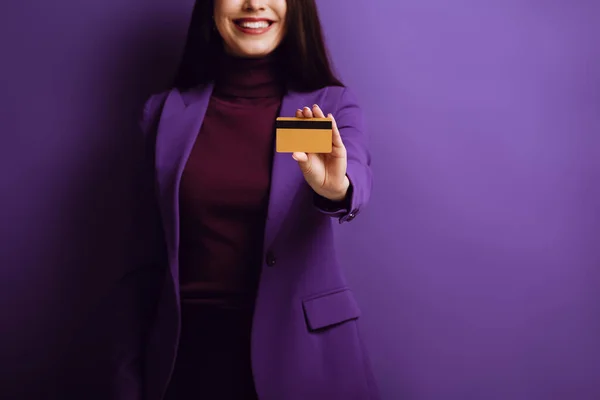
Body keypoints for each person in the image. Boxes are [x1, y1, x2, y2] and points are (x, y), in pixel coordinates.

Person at [138, 0, 379, 399]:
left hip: (303, 355)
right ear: (211, 9)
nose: (254, 3)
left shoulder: (328, 104)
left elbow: (354, 173)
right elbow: (141, 259)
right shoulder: (163, 113)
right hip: (187, 358)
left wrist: (336, 188)